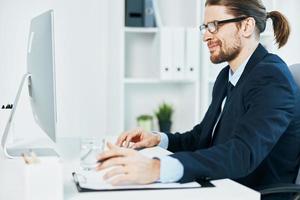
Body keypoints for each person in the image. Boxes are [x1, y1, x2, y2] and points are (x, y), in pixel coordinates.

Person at [97, 0, 300, 198]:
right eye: (205, 27)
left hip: (249, 192)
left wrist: (157, 168)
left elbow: (242, 154)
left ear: (246, 26)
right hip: (222, 185)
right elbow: (202, 137)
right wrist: (158, 139)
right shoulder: (227, 76)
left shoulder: (272, 78)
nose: (205, 36)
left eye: (215, 26)